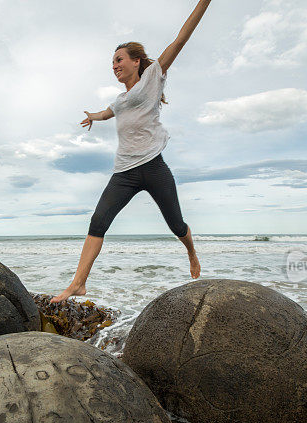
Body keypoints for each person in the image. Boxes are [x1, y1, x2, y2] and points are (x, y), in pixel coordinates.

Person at [51, 0, 211, 304]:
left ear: (136, 62)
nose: (114, 66)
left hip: (153, 166)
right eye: (112, 62)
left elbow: (180, 39)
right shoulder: (121, 99)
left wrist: (203, 3)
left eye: (119, 59)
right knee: (98, 222)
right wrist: (94, 117)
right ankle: (78, 283)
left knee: (176, 224)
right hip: (124, 171)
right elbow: (109, 112)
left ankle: (191, 252)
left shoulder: (152, 79)